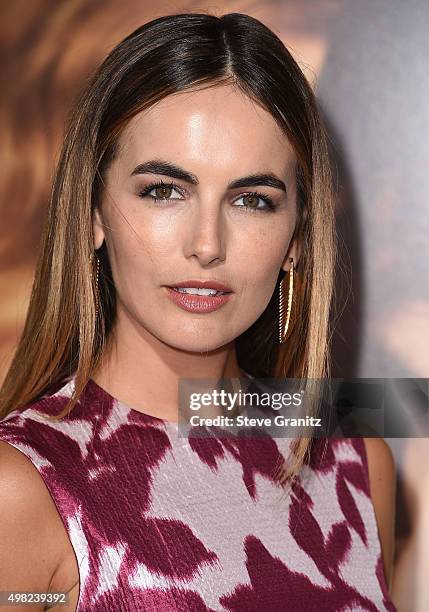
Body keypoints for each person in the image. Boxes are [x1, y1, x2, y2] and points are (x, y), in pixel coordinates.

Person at [0, 12, 396, 612]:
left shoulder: (354, 463)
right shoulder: (24, 489)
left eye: (252, 200)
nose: (207, 244)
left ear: (296, 240)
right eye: (163, 190)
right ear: (94, 213)